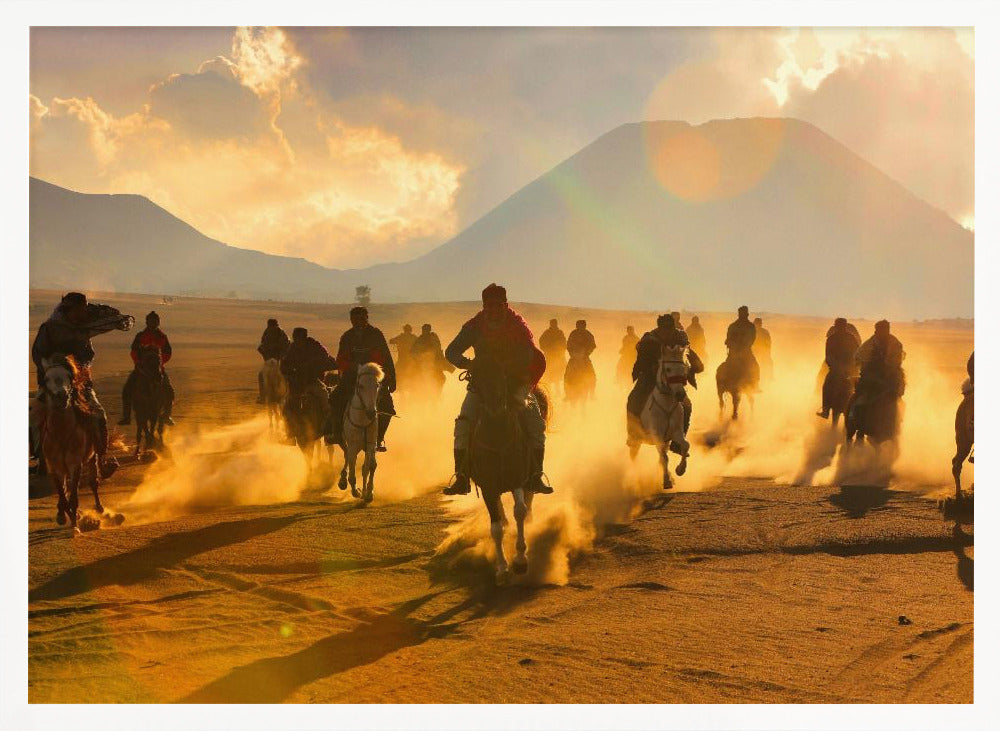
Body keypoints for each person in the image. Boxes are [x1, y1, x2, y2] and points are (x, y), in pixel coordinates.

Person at [443, 283, 551, 496]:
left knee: (535, 424)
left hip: (514, 383)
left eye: (496, 305)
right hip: (482, 386)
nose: (492, 310)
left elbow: (530, 354)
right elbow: (451, 351)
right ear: (483, 306)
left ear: (505, 305)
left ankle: (536, 474)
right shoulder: (475, 326)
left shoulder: (518, 326)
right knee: (463, 423)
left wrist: (509, 366)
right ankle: (462, 476)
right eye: (488, 306)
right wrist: (468, 364)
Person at [31, 292, 129, 479]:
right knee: (34, 419)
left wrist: (78, 367)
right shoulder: (49, 328)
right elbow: (38, 354)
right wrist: (54, 365)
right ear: (70, 310)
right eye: (80, 310)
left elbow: (89, 354)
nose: (83, 313)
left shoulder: (83, 329)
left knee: (99, 415)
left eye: (84, 309)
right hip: (52, 382)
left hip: (80, 384)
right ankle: (40, 459)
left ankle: (101, 461)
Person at [328, 307, 397, 451]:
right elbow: (340, 359)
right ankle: (335, 433)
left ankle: (378, 439)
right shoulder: (347, 336)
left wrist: (392, 379)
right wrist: (352, 366)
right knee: (334, 399)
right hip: (351, 377)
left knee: (388, 408)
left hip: (374, 377)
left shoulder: (376, 334)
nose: (357, 322)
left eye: (361, 318)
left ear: (366, 318)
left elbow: (386, 357)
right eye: (354, 319)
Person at [626, 314, 704, 438]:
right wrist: (653, 369)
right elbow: (642, 361)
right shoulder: (649, 340)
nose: (668, 332)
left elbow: (688, 353)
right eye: (665, 329)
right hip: (650, 377)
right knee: (633, 400)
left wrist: (695, 366)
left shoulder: (679, 337)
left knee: (687, 406)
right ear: (659, 328)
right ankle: (633, 435)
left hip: (673, 379)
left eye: (670, 329)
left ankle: (679, 439)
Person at [118, 311, 175, 426]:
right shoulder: (140, 336)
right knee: (127, 390)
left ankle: (166, 415)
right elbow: (134, 351)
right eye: (150, 321)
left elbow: (168, 352)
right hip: (141, 369)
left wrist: (159, 363)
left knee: (169, 391)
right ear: (147, 322)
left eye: (155, 321)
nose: (153, 323)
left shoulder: (162, 337)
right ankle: (126, 416)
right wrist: (139, 362)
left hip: (158, 369)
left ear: (158, 322)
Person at [280, 326, 337, 425]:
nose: (297, 340)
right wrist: (290, 371)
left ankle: (328, 426)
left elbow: (324, 357)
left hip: (314, 380)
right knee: (287, 407)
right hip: (298, 383)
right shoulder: (292, 348)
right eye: (296, 338)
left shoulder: (315, 346)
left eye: (299, 338)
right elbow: (285, 364)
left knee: (324, 399)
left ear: (304, 337)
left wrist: (312, 367)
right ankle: (289, 429)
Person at [817, 317, 860, 418]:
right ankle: (826, 410)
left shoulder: (851, 338)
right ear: (836, 327)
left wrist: (850, 366)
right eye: (839, 326)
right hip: (836, 370)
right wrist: (836, 367)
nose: (841, 328)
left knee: (859, 388)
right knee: (826, 386)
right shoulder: (831, 339)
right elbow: (828, 356)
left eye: (842, 326)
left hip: (849, 370)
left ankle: (858, 415)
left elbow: (857, 354)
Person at [724, 305, 760, 389]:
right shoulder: (750, 326)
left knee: (755, 366)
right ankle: (755, 386)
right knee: (755, 366)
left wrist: (730, 343)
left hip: (738, 352)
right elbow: (752, 339)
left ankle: (724, 384)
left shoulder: (733, 326)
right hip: (742, 352)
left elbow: (752, 339)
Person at [257, 318, 290, 403]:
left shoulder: (282, 334)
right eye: (269, 326)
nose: (271, 328)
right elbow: (262, 346)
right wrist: (266, 355)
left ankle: (289, 395)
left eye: (272, 326)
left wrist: (280, 357)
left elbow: (286, 347)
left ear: (276, 325)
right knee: (261, 375)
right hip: (269, 360)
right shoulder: (266, 333)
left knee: (287, 376)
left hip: (280, 360)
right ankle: (262, 396)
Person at [539, 318, 568, 389]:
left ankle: (557, 391)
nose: (553, 325)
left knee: (558, 375)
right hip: (549, 356)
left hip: (558, 356)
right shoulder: (547, 332)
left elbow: (564, 343)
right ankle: (548, 390)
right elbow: (541, 341)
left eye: (554, 323)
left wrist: (561, 351)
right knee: (548, 373)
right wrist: (545, 349)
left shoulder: (560, 332)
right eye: (552, 323)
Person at [389, 324, 419, 389]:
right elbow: (419, 343)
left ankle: (396, 386)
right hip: (411, 360)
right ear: (410, 330)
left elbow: (391, 341)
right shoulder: (413, 337)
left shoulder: (401, 337)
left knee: (395, 372)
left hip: (403, 360)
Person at [753, 317, 773, 381]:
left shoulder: (753, 331)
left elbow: (768, 343)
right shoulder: (763, 332)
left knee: (769, 363)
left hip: (760, 352)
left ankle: (770, 377)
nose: (759, 325)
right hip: (756, 352)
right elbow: (768, 343)